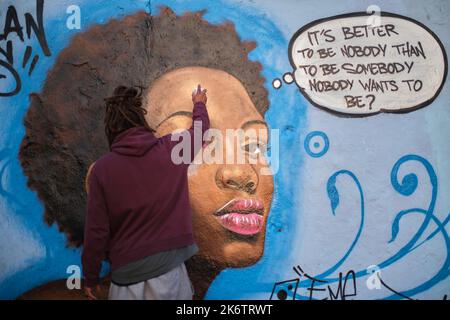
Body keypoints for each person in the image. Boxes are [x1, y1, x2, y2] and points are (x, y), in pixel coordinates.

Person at [82, 84, 210, 300]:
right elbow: (200, 131)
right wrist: (199, 103)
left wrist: (90, 277)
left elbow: (96, 231)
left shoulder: (102, 170)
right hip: (171, 279)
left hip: (127, 284)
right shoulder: (171, 150)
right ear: (141, 121)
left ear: (110, 129)